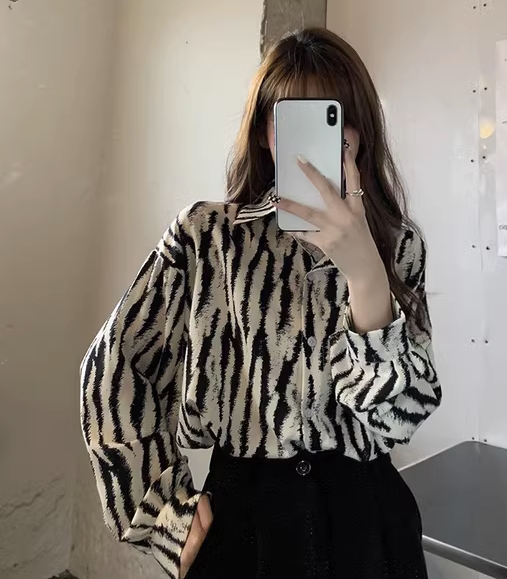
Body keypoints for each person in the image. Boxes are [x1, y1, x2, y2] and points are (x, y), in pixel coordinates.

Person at [80, 28, 441, 579]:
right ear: (265, 133)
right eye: (291, 119)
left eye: (336, 118)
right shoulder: (208, 237)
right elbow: (113, 370)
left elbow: (401, 418)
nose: (316, 140)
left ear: (361, 132)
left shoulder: (397, 244)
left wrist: (367, 275)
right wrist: (161, 515)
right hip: (242, 520)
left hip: (367, 522)